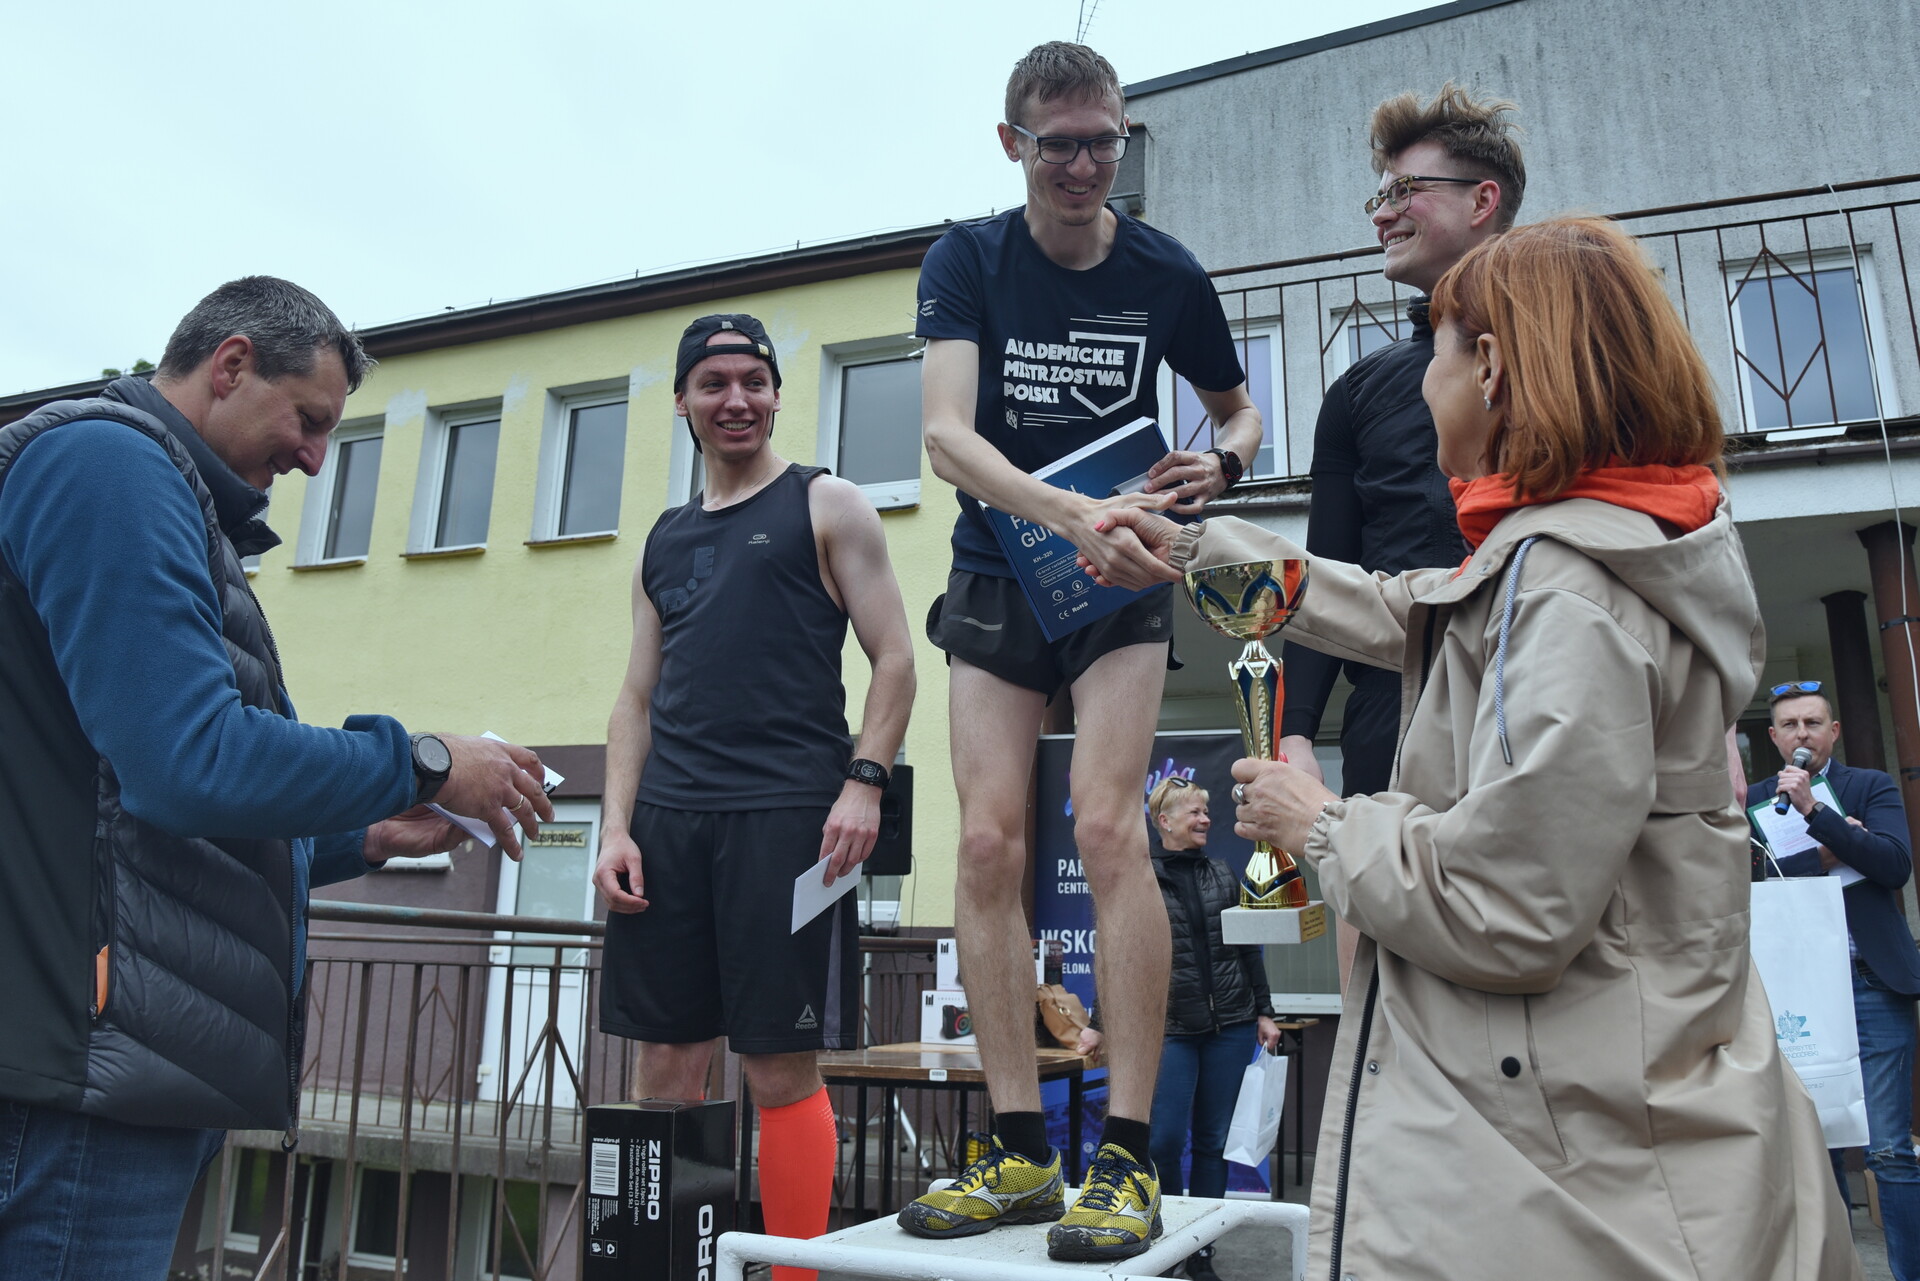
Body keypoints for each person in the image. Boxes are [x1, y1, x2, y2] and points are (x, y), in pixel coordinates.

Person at [1087, 218, 1858, 1279]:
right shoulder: (1583, 548)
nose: (1422, 383)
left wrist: (1323, 825)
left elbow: (1511, 905)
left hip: (1583, 1168)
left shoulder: (1570, 594)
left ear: (1490, 368)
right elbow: (1404, 607)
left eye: (1437, 352)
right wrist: (1187, 549)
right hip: (1595, 1124)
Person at [0, 277, 555, 1280]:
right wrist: (422, 762)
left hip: (107, 1067)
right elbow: (189, 759)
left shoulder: (157, 491)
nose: (314, 458)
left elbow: (122, 799)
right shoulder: (109, 466)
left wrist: (372, 831)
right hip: (78, 1080)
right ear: (231, 365)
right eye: (309, 419)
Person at [897, 40, 1263, 1263]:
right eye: (1058, 144)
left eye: (1102, 140)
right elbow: (946, 437)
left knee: (1110, 832)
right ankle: (1019, 1150)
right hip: (1006, 562)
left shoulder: (1165, 270)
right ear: (1014, 144)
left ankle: (1129, 1157)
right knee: (988, 843)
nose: (1082, 164)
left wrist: (1225, 462)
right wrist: (1067, 516)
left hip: (1124, 572)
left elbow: (1238, 409)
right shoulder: (969, 258)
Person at [592, 314, 915, 1281]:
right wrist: (615, 826)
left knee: (779, 1066)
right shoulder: (662, 539)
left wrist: (865, 782)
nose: (736, 399)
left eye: (754, 381)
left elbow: (896, 661)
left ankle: (795, 1274)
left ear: (776, 394)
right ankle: (661, 1271)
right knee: (664, 1071)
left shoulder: (828, 503)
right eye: (714, 383)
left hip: (790, 824)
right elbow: (635, 698)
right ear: (683, 402)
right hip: (668, 827)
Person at [1278, 83, 1523, 804]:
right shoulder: (1357, 392)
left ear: (1481, 202)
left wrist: (1720, 723)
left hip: (1545, 682)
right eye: (1379, 197)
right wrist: (1294, 733)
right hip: (1396, 706)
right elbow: (1328, 567)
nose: (1381, 214)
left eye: (1405, 191)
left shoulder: (1581, 347)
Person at [1076, 776, 1280, 1281]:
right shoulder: (1140, 879)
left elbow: (1247, 947)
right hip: (1166, 1027)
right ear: (1164, 821)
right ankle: (1164, 1242)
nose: (1205, 820)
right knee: (1163, 1141)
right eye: (1195, 812)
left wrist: (1264, 1011)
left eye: (1206, 812)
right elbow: (1118, 957)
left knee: (1212, 1143)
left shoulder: (1222, 873)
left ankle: (1202, 1250)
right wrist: (1100, 1024)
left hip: (1230, 1024)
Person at [1749, 681, 1920, 1280]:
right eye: (1790, 725)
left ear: (1834, 732)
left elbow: (1893, 865)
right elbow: (1753, 881)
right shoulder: (1758, 800)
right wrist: (1836, 846)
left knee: (1890, 1148)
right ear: (1774, 737)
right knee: (1817, 1150)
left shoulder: (1870, 786)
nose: (1803, 734)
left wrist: (1816, 815)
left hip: (1873, 982)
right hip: (1802, 991)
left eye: (1813, 723)